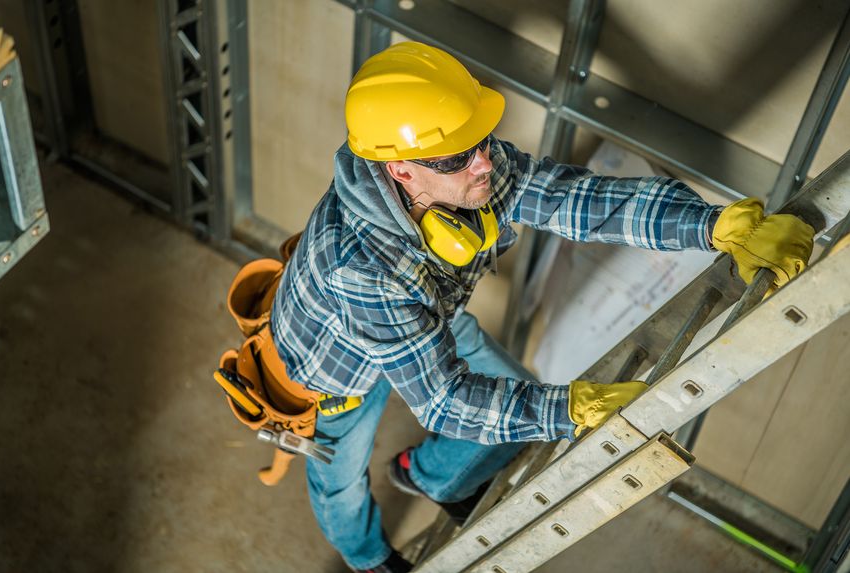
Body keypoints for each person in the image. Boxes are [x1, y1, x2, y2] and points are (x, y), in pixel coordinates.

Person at [271, 41, 813, 573]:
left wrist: (711, 227)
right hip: (334, 363)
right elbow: (444, 401)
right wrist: (565, 410)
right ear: (401, 170)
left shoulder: (474, 171)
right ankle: (367, 560)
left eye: (481, 139)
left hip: (422, 314)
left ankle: (428, 475)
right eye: (459, 154)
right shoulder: (361, 267)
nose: (483, 161)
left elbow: (579, 200)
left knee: (511, 398)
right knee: (340, 482)